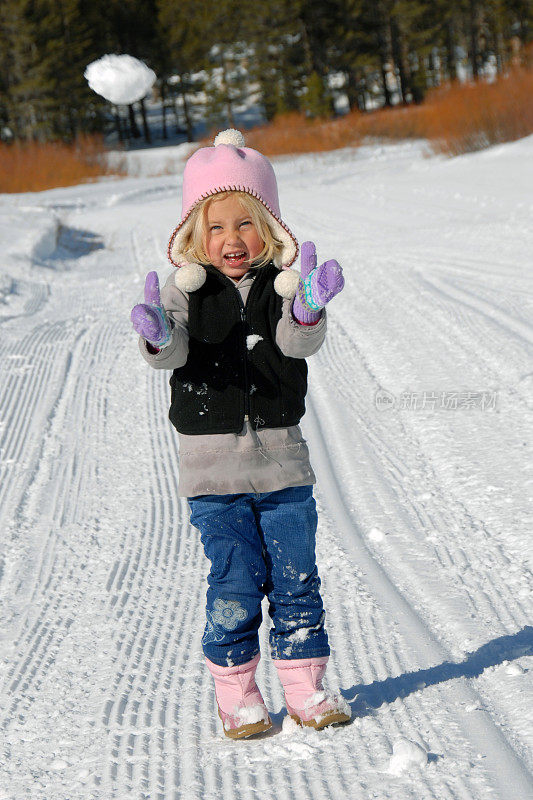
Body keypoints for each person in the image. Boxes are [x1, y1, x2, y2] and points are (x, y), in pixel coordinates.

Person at [131, 128, 350, 739]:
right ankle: (238, 695)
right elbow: (170, 354)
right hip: (214, 473)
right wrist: (155, 332)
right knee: (234, 583)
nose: (232, 240)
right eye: (217, 227)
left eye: (246, 224)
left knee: (297, 578)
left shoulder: (283, 289)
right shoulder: (184, 293)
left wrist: (307, 310)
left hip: (283, 467)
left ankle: (306, 690)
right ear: (196, 234)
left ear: (270, 229)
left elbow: (296, 343)